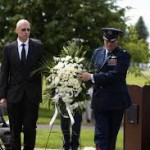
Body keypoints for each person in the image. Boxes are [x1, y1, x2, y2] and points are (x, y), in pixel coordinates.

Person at [77, 28, 132, 150]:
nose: (109, 44)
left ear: (117, 40)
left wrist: (92, 76)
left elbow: (116, 75)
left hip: (115, 102)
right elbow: (91, 71)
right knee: (100, 137)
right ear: (103, 39)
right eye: (106, 41)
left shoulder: (123, 55)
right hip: (100, 101)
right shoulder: (97, 53)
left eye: (112, 41)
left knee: (111, 138)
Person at [0, 19, 44, 150]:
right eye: (23, 30)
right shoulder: (8, 48)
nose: (26, 32)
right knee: (15, 129)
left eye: (28, 30)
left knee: (30, 128)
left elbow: (44, 68)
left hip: (32, 96)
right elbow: (4, 73)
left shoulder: (38, 46)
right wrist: (2, 96)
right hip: (14, 96)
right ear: (16, 31)